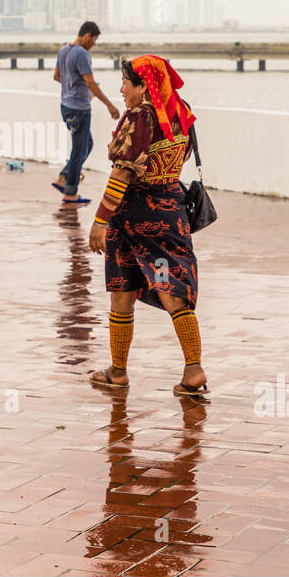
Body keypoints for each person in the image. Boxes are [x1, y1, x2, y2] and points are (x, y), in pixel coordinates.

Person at [86, 56, 206, 396]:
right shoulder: (180, 111)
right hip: (170, 210)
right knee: (168, 285)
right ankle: (189, 368)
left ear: (144, 87)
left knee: (124, 286)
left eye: (126, 83)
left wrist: (99, 221)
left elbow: (123, 171)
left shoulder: (141, 117)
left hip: (134, 217)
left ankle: (120, 371)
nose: (121, 89)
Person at [51, 21, 119, 207]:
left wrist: (71, 88)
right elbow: (90, 82)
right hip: (80, 109)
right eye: (94, 39)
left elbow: (57, 76)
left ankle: (64, 177)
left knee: (86, 144)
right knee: (79, 149)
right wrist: (109, 105)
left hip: (66, 106)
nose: (94, 43)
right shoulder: (82, 54)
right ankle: (70, 193)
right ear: (87, 35)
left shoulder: (64, 50)